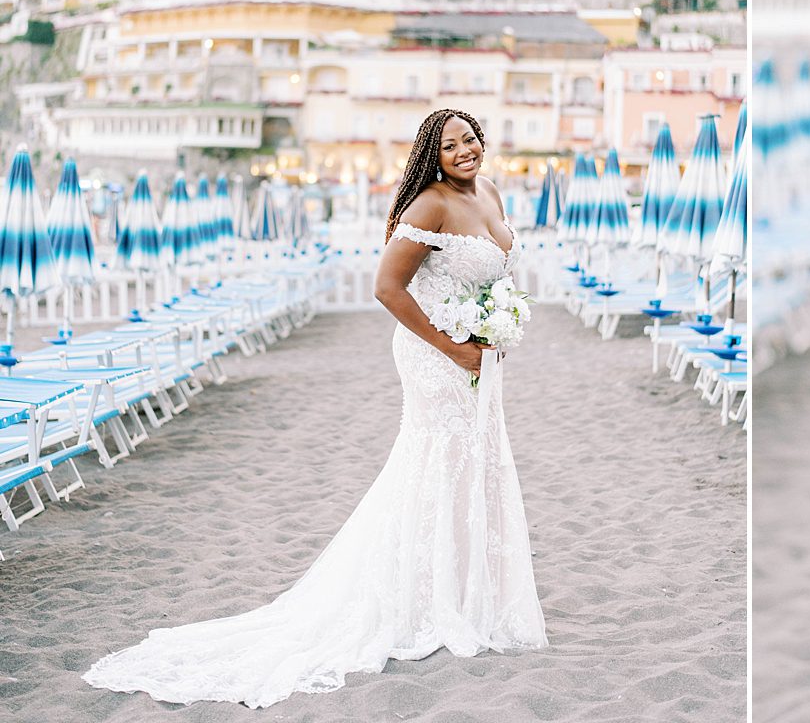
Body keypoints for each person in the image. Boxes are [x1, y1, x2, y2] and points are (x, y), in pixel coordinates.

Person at [85, 109, 546, 707]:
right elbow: (386, 287)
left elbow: (494, 274)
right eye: (450, 144)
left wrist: (496, 321)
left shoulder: (489, 191)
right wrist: (453, 346)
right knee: (437, 463)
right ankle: (422, 598)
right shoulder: (428, 205)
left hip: (478, 354)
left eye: (471, 140)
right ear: (431, 155)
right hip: (438, 358)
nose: (465, 151)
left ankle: (461, 592)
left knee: (476, 464)